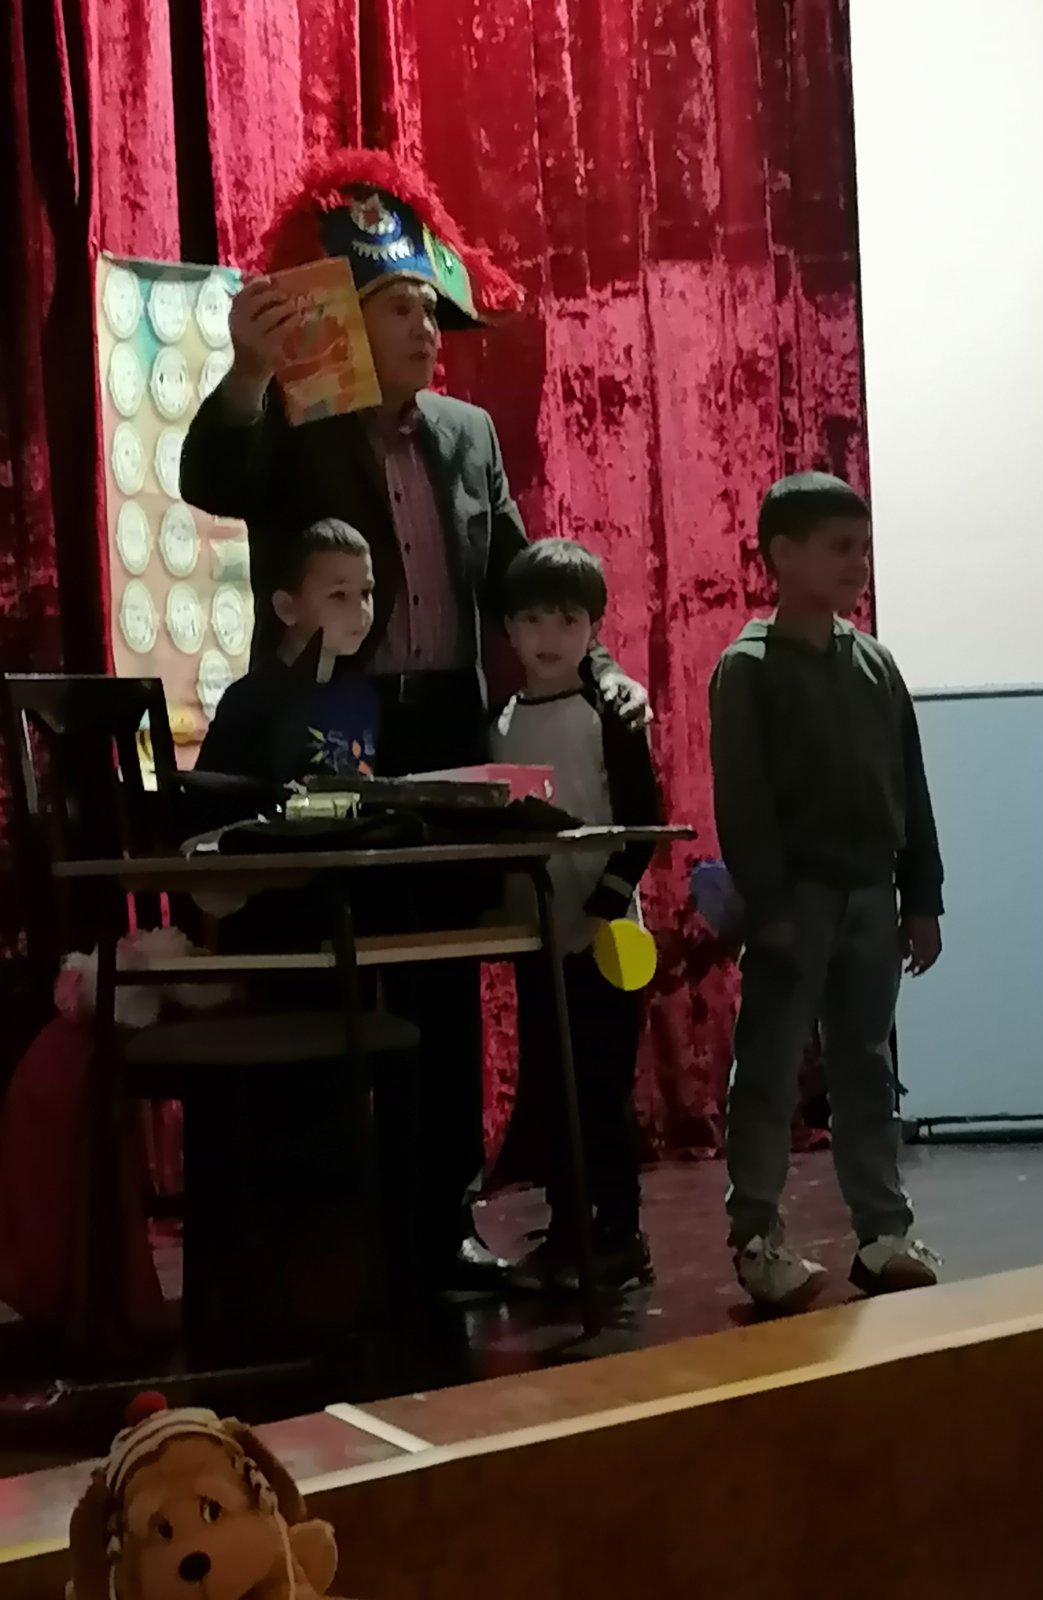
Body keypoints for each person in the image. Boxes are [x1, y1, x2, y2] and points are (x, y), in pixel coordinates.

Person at [179, 149, 649, 1292]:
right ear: (347, 319)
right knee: (332, 975)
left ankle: (441, 1226)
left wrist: (599, 671)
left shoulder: (468, 433)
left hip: (445, 732)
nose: (427, 329)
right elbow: (209, 477)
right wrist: (247, 373)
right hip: (331, 737)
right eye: (401, 308)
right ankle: (334, 1240)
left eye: (433, 311)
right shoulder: (295, 418)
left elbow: (526, 579)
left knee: (442, 987)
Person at [709, 471, 944, 1312]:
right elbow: (743, 801)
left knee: (867, 1069)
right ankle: (758, 1236)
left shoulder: (876, 664)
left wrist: (922, 898)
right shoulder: (748, 669)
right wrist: (769, 906)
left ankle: (883, 1233)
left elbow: (911, 787)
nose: (858, 564)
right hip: (795, 903)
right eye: (840, 548)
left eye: (864, 549)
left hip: (872, 899)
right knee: (770, 1069)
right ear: (783, 554)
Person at [491, 540, 660, 1292]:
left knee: (600, 1090)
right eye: (531, 620)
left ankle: (621, 1236)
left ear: (593, 627)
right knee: (553, 1089)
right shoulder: (501, 722)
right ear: (508, 629)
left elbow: (644, 823)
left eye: (567, 620)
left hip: (609, 938)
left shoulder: (611, 714)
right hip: (539, 939)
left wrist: (599, 910)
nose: (548, 636)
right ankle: (567, 1232)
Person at [197, 517, 377, 785]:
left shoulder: (362, 697)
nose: (361, 610)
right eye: (339, 595)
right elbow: (211, 797)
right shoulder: (251, 703)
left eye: (366, 592)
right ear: (286, 607)